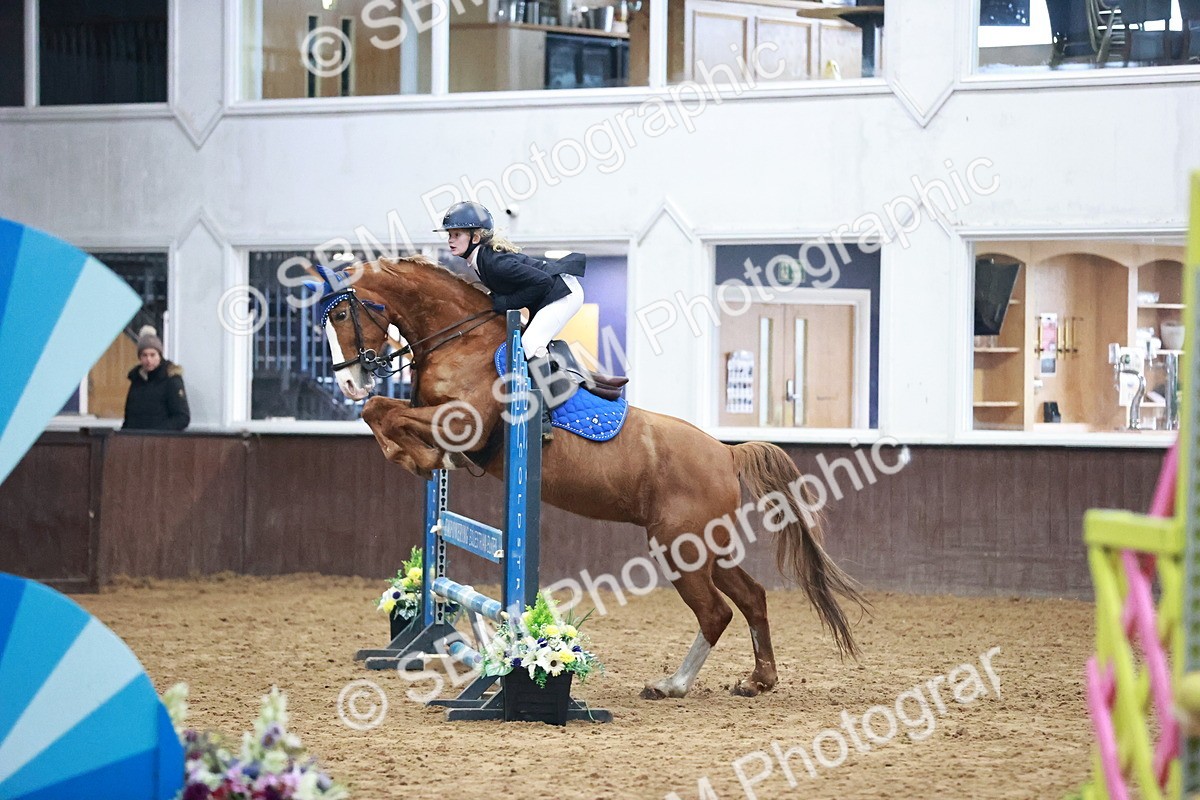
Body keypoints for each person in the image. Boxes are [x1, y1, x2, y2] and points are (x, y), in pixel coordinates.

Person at [438, 201, 588, 436]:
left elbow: (543, 282)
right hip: (549, 294)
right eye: (449, 234)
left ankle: (542, 420)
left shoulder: (495, 263)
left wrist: (504, 303)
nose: (450, 240)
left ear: (475, 237)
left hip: (564, 293)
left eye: (457, 234)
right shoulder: (481, 260)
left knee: (530, 345)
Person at [122, 325, 190, 431]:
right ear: (140, 357)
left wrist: (156, 432)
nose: (149, 360)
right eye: (144, 355)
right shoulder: (136, 380)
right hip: (135, 440)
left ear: (160, 355)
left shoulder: (171, 379)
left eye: (152, 355)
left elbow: (182, 417)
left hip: (161, 441)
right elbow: (129, 416)